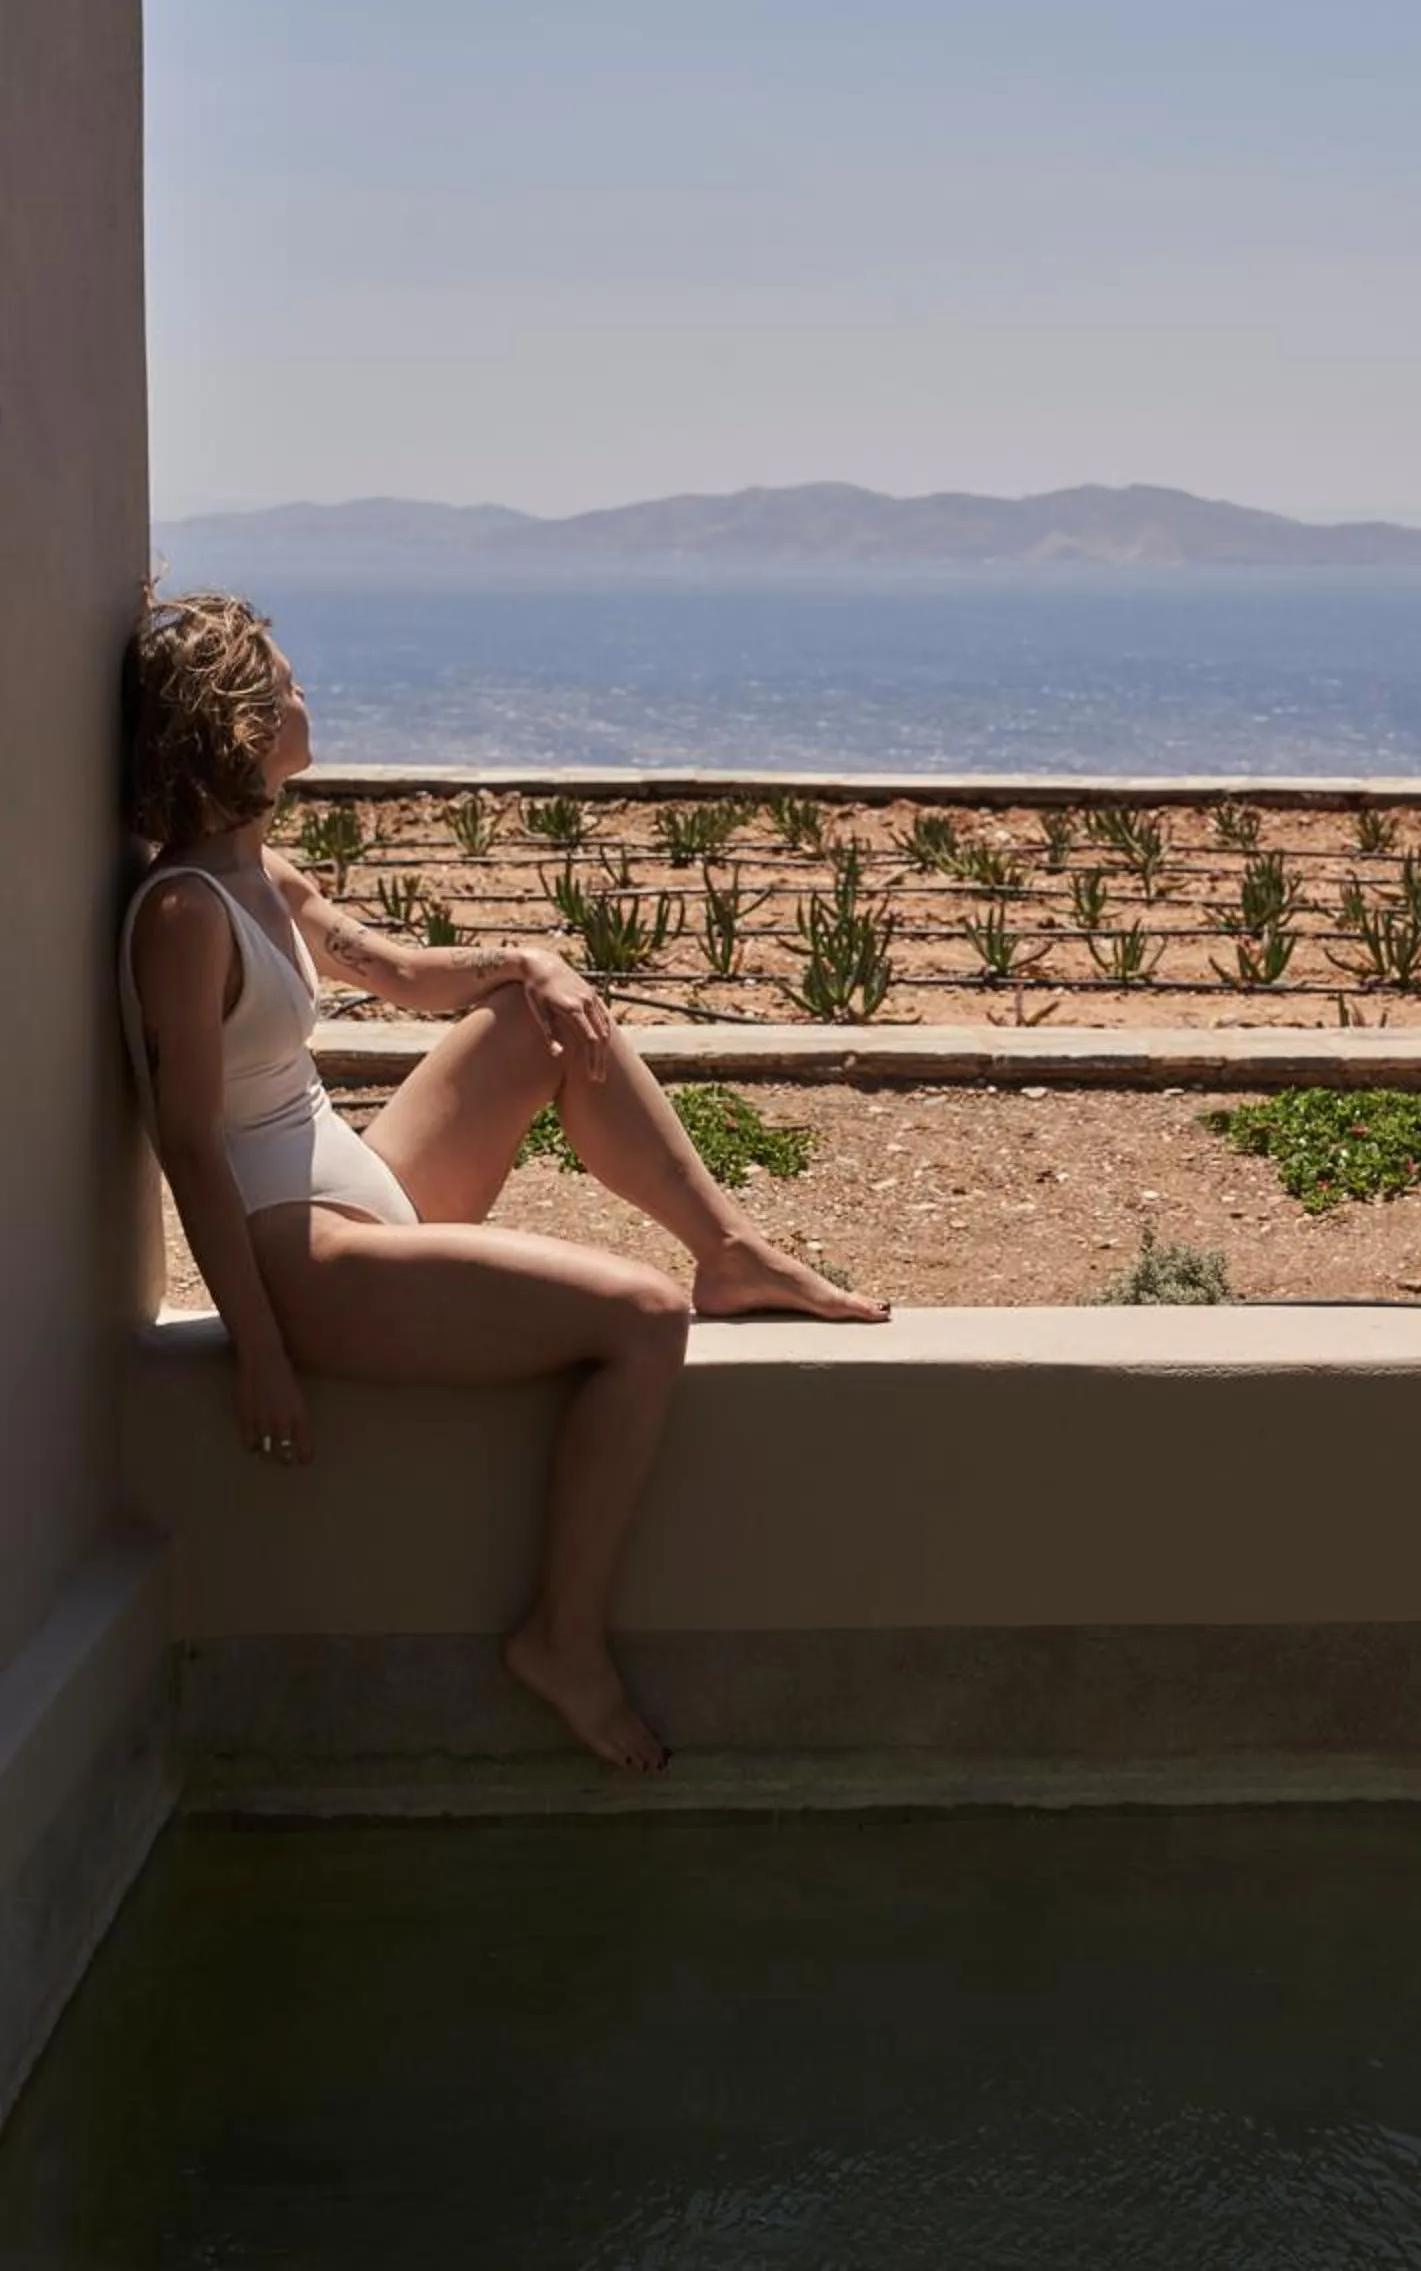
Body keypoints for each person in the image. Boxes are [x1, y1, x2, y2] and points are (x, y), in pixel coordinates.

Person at [117, 585, 888, 1774]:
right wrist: (261, 1349)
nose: (304, 697)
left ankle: (730, 1250)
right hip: (307, 1261)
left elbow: (414, 978)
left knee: (537, 1011)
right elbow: (184, 1141)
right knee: (639, 1320)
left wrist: (535, 957)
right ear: (229, 721)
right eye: (282, 684)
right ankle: (560, 1638)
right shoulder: (182, 911)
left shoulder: (270, 884)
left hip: (365, 1187)